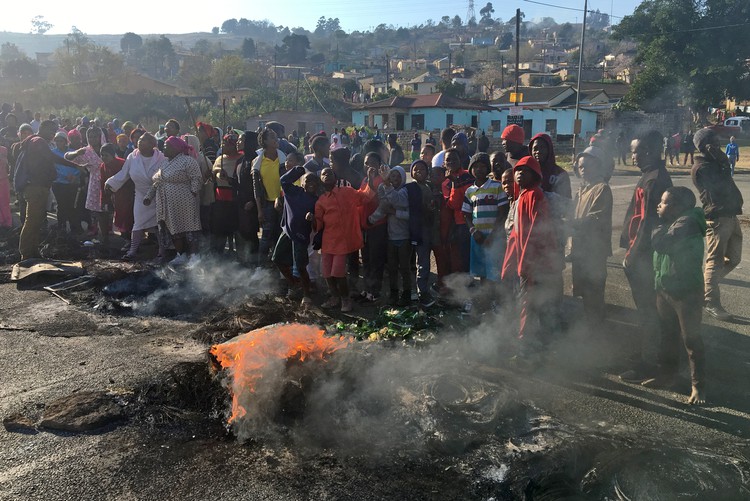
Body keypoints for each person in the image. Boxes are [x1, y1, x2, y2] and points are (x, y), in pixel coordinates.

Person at [619, 130, 673, 382]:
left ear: (650, 151)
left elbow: (648, 222)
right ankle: (649, 356)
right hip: (641, 252)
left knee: (649, 312)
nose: (633, 156)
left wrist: (632, 253)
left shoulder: (655, 180)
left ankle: (651, 364)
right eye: (632, 151)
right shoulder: (649, 175)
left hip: (645, 255)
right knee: (648, 311)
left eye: (637, 151)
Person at [649, 186, 707, 405]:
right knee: (668, 334)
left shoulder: (687, 223)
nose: (659, 205)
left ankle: (698, 386)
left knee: (690, 338)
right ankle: (667, 375)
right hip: (665, 287)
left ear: (678, 208)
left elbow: (660, 243)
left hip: (685, 292)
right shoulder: (674, 222)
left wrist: (657, 226)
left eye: (663, 203)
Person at [501, 155, 557, 361]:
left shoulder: (535, 195)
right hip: (525, 265)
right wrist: (508, 264)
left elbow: (537, 232)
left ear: (535, 174)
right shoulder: (521, 197)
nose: (519, 173)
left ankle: (526, 348)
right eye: (517, 170)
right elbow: (515, 235)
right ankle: (536, 343)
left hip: (535, 265)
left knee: (528, 304)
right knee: (527, 303)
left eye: (525, 170)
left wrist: (526, 263)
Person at [691, 127, 744, 321]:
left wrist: (720, 160)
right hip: (719, 218)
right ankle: (710, 302)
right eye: (715, 141)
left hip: (731, 216)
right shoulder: (702, 168)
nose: (720, 144)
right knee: (715, 261)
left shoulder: (714, 162)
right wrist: (721, 160)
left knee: (735, 258)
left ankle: (706, 286)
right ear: (707, 146)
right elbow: (720, 188)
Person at [314, 166, 375, 312]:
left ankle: (345, 300)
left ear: (335, 179)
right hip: (328, 242)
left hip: (343, 242)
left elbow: (366, 196)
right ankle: (334, 297)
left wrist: (371, 180)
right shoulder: (321, 201)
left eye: (329, 173)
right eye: (324, 174)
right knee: (327, 273)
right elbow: (317, 225)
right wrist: (310, 218)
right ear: (321, 180)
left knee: (338, 273)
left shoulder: (347, 192)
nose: (327, 175)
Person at [17, 121, 81, 260]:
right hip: (35, 187)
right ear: (42, 128)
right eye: (51, 131)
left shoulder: (36, 141)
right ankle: (25, 253)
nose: (53, 134)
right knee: (32, 220)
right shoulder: (38, 141)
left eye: (54, 131)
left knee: (37, 220)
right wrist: (75, 165)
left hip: (39, 186)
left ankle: (32, 251)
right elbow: (52, 157)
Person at [105, 133, 167, 260]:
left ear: (152, 144)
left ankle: (162, 250)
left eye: (143, 140)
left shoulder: (161, 158)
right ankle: (132, 251)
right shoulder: (132, 157)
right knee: (138, 223)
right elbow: (124, 173)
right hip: (140, 195)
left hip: (158, 195)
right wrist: (110, 183)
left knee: (159, 224)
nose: (140, 142)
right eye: (139, 139)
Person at [144, 136, 203, 266]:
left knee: (189, 228)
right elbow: (157, 182)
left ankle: (194, 256)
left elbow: (196, 178)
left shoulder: (187, 161)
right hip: (166, 204)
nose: (163, 148)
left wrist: (193, 191)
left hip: (185, 202)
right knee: (175, 230)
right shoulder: (164, 163)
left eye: (166, 146)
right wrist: (149, 196)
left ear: (176, 148)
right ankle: (180, 254)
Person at [570, 146, 613, 325]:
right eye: (581, 166)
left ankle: (597, 332)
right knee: (583, 291)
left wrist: (567, 224)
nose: (584, 169)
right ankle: (590, 326)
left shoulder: (601, 188)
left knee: (594, 292)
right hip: (580, 250)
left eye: (587, 165)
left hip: (594, 251)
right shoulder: (582, 190)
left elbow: (595, 219)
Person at [462, 152, 509, 296]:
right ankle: (485, 299)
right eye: (475, 167)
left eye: (483, 166)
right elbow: (467, 214)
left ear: (488, 168)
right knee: (481, 271)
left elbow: (502, 213)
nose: (479, 169)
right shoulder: (469, 191)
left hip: (494, 237)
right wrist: (473, 231)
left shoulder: (497, 186)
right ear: (471, 170)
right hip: (477, 237)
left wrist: (493, 235)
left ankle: (497, 300)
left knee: (494, 271)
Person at [273, 165, 320, 305]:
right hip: (287, 231)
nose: (310, 183)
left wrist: (313, 217)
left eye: (314, 181)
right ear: (301, 182)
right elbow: (283, 181)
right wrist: (298, 170)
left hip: (301, 236)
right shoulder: (293, 191)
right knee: (277, 259)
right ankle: (294, 283)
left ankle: (306, 295)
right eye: (307, 180)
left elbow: (320, 220)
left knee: (300, 266)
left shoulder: (316, 201)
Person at [368, 165, 411, 306]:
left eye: (398, 176)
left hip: (404, 237)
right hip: (391, 237)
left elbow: (400, 205)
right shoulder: (387, 190)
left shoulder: (405, 192)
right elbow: (383, 207)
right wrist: (371, 219)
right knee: (392, 268)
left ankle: (407, 294)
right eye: (392, 176)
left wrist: (394, 212)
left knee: (404, 268)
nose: (396, 179)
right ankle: (394, 293)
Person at [252, 128, 286, 267]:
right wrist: (260, 210)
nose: (276, 139)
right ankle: (261, 266)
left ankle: (279, 265)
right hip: (267, 204)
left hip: (283, 203)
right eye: (272, 137)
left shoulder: (284, 159)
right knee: (266, 237)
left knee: (280, 234)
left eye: (276, 136)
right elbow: (257, 189)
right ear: (264, 141)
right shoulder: (258, 163)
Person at [407, 159, 436, 307]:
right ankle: (417, 291)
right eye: (415, 169)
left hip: (429, 228)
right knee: (419, 262)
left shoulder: (430, 186)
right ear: (411, 172)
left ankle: (424, 290)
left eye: (422, 169)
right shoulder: (409, 188)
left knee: (425, 261)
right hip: (416, 229)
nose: (419, 171)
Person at [65, 127, 104, 238]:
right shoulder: (85, 151)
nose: (93, 139)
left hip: (107, 180)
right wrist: (77, 152)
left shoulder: (106, 148)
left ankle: (108, 228)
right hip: (93, 181)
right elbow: (67, 157)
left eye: (95, 136)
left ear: (100, 137)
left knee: (107, 206)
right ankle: (94, 227)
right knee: (94, 207)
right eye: (90, 137)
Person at [442, 148, 474, 276]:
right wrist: (455, 184)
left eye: (454, 159)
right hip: (461, 223)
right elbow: (454, 205)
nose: (451, 162)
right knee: (464, 256)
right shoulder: (446, 183)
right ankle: (468, 284)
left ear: (460, 160)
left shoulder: (469, 175)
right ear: (444, 163)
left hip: (477, 219)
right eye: (448, 160)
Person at [210, 133, 243, 254]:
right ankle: (219, 252)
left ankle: (238, 253)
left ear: (232, 146)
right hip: (220, 198)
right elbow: (213, 172)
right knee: (220, 227)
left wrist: (229, 179)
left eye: (225, 144)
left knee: (235, 227)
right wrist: (218, 171)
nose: (222, 146)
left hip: (234, 198)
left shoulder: (241, 159)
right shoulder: (220, 159)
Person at [98, 144, 133, 249]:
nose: (104, 158)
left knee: (126, 217)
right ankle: (107, 238)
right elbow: (103, 184)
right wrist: (103, 200)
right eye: (102, 155)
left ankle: (130, 240)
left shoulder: (122, 164)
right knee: (110, 215)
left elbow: (129, 179)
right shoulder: (103, 167)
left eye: (106, 155)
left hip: (127, 194)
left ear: (113, 155)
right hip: (115, 195)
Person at [51, 132, 81, 235]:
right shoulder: (52, 153)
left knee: (71, 205)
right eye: (57, 141)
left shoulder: (72, 152)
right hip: (58, 182)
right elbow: (53, 168)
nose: (59, 143)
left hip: (71, 183)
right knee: (61, 204)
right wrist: (65, 176)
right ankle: (61, 226)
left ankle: (73, 227)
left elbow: (78, 165)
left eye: (61, 141)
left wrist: (74, 175)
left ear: (65, 141)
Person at [0, 145, 11, 232]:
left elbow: (6, 165)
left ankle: (6, 222)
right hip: (3, 179)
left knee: (5, 202)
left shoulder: (3, 150)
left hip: (3, 179)